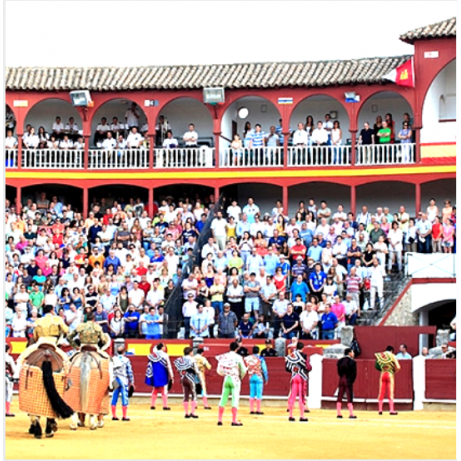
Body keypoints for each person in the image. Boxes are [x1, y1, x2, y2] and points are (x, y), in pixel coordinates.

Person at [16, 304, 73, 439]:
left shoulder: (38, 321)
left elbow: (35, 337)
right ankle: (67, 381)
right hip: (53, 344)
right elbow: (67, 330)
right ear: (52, 310)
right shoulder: (57, 319)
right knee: (66, 362)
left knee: (21, 358)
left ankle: (17, 377)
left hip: (39, 344)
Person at [66, 311, 111, 430]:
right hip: (95, 349)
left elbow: (69, 337)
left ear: (85, 318)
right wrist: (100, 347)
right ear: (94, 318)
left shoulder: (80, 326)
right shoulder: (97, 327)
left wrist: (75, 346)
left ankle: (75, 420)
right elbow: (105, 340)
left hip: (81, 349)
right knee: (108, 362)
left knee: (68, 363)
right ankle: (110, 383)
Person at [216, 341, 247, 426]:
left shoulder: (224, 356)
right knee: (235, 398)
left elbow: (218, 370)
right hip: (235, 378)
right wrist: (240, 377)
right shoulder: (238, 357)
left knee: (223, 398)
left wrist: (224, 374)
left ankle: (219, 419)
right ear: (237, 349)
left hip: (226, 378)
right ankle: (234, 420)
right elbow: (243, 370)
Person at [285, 341, 311, 422]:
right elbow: (308, 367)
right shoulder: (304, 355)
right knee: (301, 396)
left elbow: (287, 367)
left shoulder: (291, 355)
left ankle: (291, 415)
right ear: (303, 348)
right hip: (301, 376)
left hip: (294, 376)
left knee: (292, 395)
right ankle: (302, 416)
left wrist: (294, 370)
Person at [145, 343, 174, 411]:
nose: (165, 348)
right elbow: (169, 366)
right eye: (164, 346)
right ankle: (165, 406)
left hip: (155, 374)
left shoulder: (152, 355)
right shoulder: (165, 355)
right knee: (164, 390)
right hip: (163, 374)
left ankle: (152, 405)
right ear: (161, 347)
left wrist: (150, 375)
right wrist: (172, 375)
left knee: (155, 389)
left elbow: (149, 366)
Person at [174, 347, 200, 419]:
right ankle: (193, 412)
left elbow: (178, 369)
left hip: (183, 378)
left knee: (185, 395)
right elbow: (197, 371)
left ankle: (186, 413)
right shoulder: (192, 359)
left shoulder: (180, 360)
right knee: (193, 395)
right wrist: (199, 379)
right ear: (190, 352)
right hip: (190, 379)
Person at [111, 345, 135, 421]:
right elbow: (129, 372)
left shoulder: (113, 359)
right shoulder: (126, 360)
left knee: (114, 396)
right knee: (124, 397)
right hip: (123, 380)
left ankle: (114, 416)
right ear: (124, 352)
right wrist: (132, 382)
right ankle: (124, 416)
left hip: (115, 379)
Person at [375, 346, 401, 415]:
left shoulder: (380, 355)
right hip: (390, 375)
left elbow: (377, 366)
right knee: (390, 393)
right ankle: (391, 410)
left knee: (381, 392)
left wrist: (382, 369)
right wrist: (394, 371)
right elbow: (398, 367)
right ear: (392, 351)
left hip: (383, 374)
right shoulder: (392, 356)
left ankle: (380, 410)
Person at [244, 346, 269, 415]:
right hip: (258, 377)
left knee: (252, 393)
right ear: (259, 351)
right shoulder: (260, 358)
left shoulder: (248, 358)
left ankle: (251, 409)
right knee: (258, 394)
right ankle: (258, 410)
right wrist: (266, 378)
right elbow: (264, 369)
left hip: (251, 376)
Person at [336, 348, 357, 419]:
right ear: (349, 353)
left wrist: (342, 377)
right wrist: (351, 381)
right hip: (348, 379)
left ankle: (339, 413)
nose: (353, 354)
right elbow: (354, 374)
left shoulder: (340, 361)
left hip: (341, 379)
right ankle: (351, 413)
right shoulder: (352, 362)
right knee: (349, 396)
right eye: (352, 352)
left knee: (340, 395)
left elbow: (338, 372)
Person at [5, 343, 16, 417]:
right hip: (7, 377)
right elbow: (14, 370)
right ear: (8, 350)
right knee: (8, 393)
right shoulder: (9, 358)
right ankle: (7, 411)